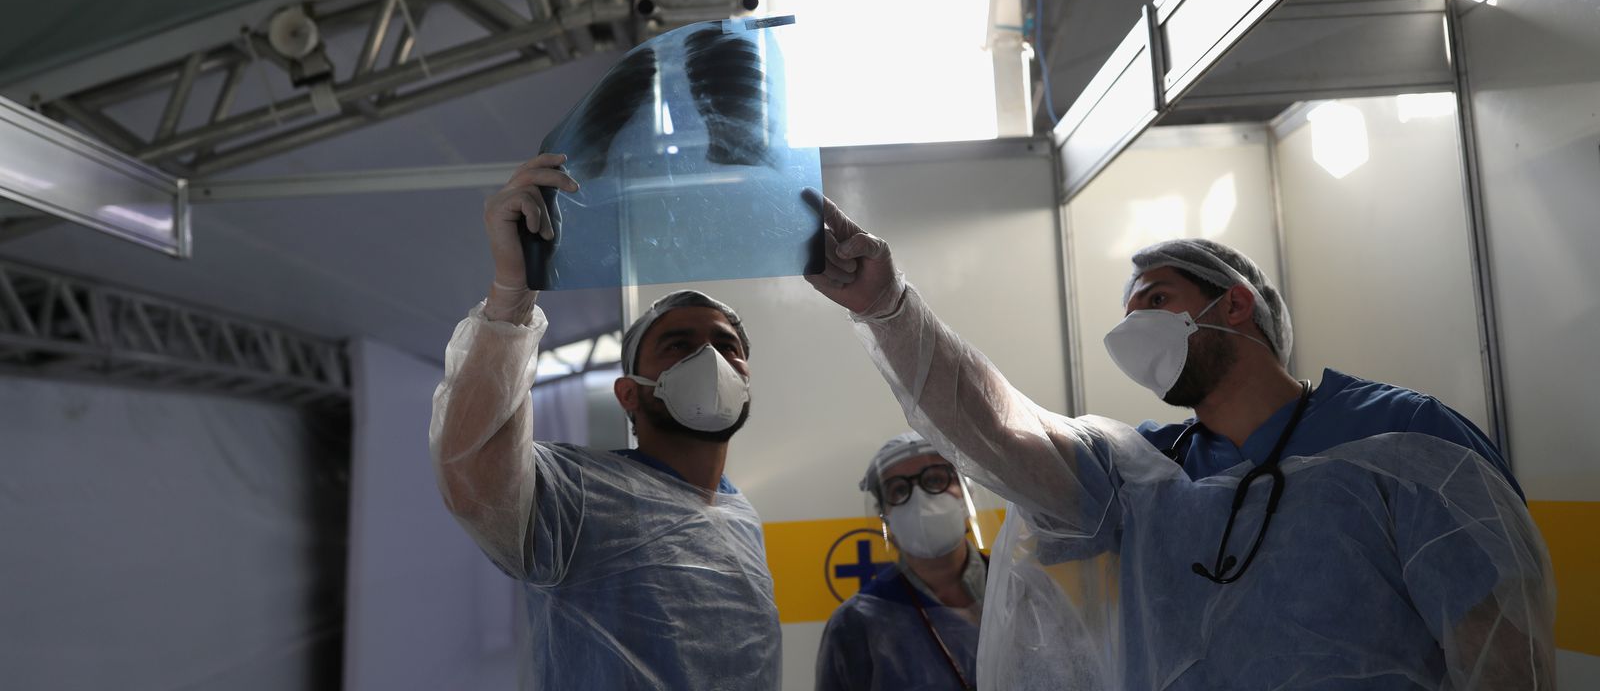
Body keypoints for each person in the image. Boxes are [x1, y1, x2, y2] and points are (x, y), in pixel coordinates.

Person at [801, 189, 1555, 690]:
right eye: (1127, 316)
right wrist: (887, 308)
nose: (1136, 330)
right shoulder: (1142, 476)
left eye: (1156, 300)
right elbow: (992, 424)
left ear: (1235, 304)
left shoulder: (1405, 439)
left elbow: (1500, 655)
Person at [429, 153, 780, 690]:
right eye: (678, 345)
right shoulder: (577, 497)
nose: (710, 359)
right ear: (628, 393)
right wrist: (512, 294)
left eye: (726, 345)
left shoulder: (740, 516)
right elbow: (474, 468)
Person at [816, 432, 986, 691]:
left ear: (966, 493)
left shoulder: (1020, 591)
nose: (919, 500)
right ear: (885, 517)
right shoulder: (856, 624)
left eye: (935, 479)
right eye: (899, 490)